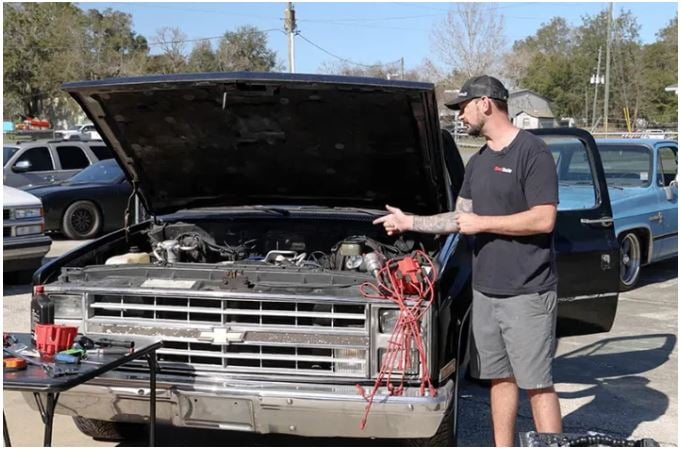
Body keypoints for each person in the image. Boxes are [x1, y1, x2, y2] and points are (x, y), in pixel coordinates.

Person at [373, 75, 561, 446]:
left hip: (528, 292)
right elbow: (459, 219)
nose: (461, 115)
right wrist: (409, 221)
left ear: (485, 103)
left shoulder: (531, 152)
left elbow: (544, 218)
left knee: (537, 384)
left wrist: (484, 223)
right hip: (487, 291)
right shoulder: (478, 162)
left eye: (463, 106)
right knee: (499, 379)